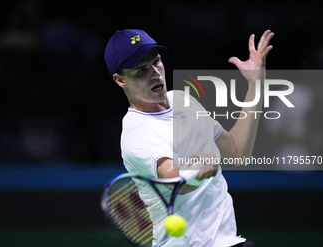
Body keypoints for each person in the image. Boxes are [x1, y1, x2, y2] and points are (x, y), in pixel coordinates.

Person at [104, 29, 273, 247]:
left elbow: (236, 150)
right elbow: (173, 178)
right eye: (140, 71)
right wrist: (196, 170)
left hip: (227, 242)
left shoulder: (183, 100)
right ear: (120, 80)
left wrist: (255, 85)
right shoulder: (137, 134)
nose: (154, 73)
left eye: (156, 62)